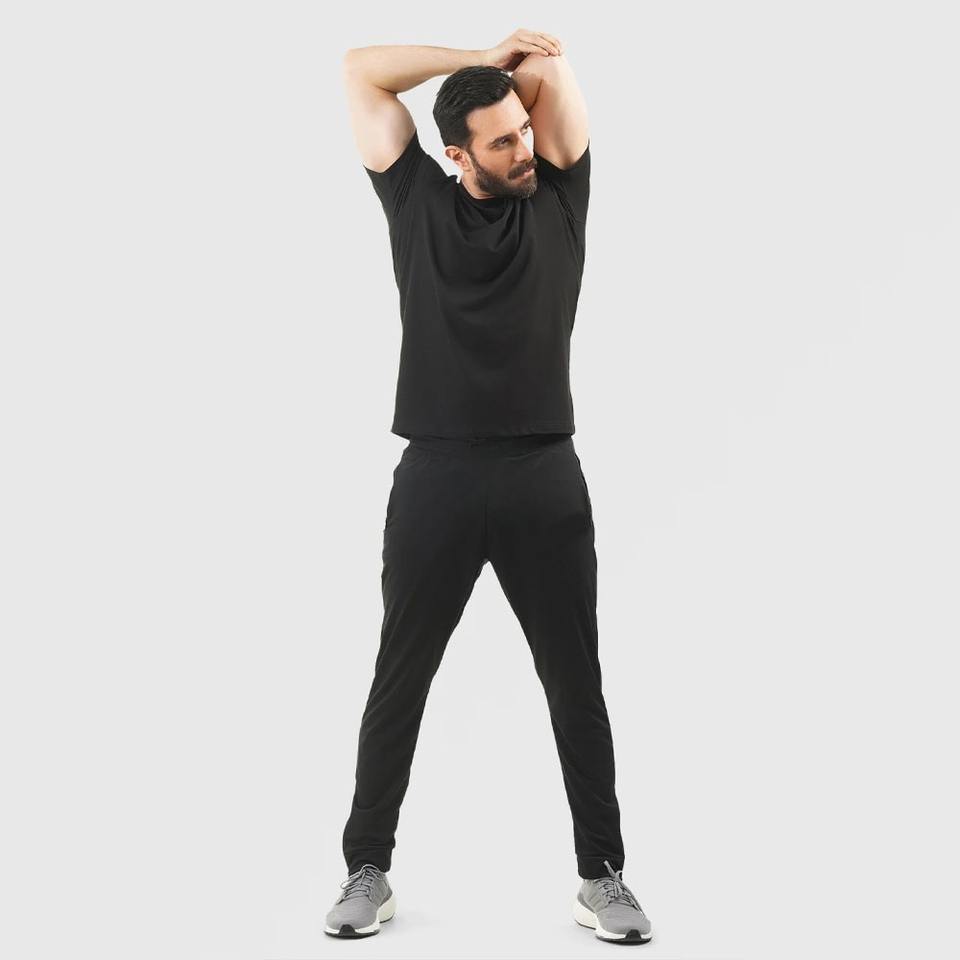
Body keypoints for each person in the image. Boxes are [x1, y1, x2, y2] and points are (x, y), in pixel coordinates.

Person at [325, 29, 653, 944]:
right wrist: (470, 55)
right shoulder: (414, 201)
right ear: (455, 155)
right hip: (435, 474)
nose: (524, 147)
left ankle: (603, 875)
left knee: (575, 681)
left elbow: (551, 70)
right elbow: (359, 70)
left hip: (545, 475)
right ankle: (366, 868)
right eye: (502, 141)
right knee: (401, 678)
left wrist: (502, 74)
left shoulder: (561, 199)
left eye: (523, 130)